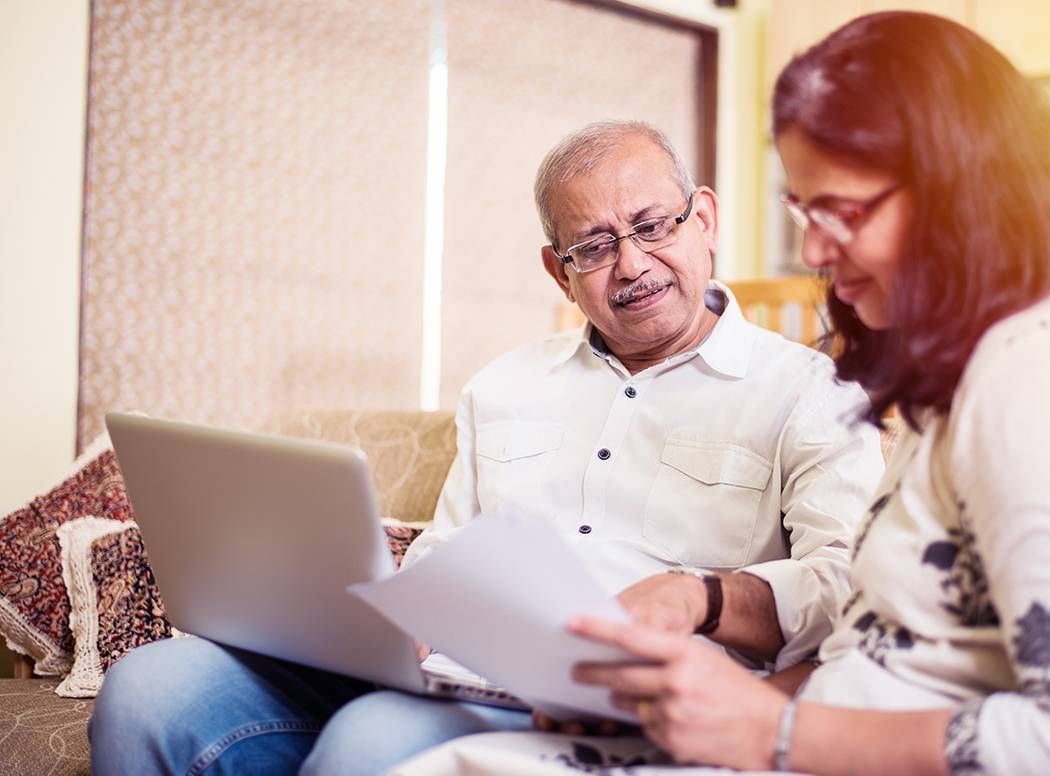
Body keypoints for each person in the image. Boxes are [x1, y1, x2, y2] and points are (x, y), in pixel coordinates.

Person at [88, 120, 885, 776]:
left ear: (703, 219)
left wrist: (700, 596)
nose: (633, 264)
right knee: (147, 690)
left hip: (629, 703)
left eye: (652, 226)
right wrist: (405, 608)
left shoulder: (813, 392)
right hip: (456, 670)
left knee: (372, 741)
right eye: (595, 246)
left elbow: (851, 589)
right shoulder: (502, 385)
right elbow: (448, 547)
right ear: (558, 271)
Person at [551, 12, 1050, 776]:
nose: (813, 249)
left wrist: (772, 732)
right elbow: (905, 643)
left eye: (843, 211)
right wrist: (703, 655)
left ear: (964, 189)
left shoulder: (1040, 374)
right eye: (804, 209)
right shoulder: (992, 361)